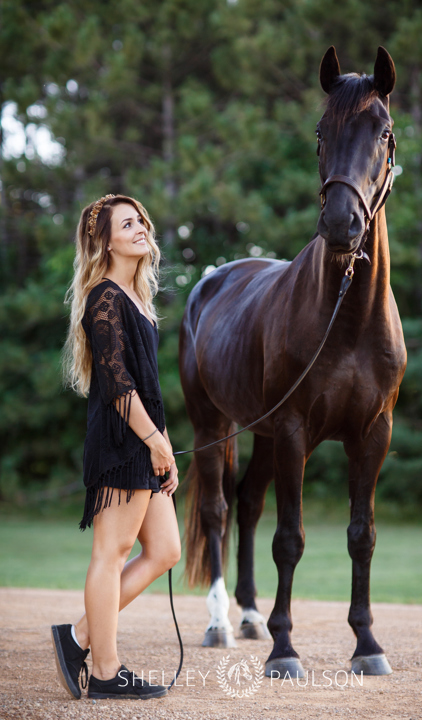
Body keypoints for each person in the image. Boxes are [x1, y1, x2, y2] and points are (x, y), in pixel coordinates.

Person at [51, 194, 181, 701]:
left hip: (147, 440)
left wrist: (165, 447)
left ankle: (80, 634)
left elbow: (149, 388)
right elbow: (118, 384)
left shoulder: (139, 300)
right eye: (127, 224)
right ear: (105, 240)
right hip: (121, 442)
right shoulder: (104, 297)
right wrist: (152, 442)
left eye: (142, 220)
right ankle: (105, 670)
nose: (140, 228)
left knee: (167, 549)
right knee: (111, 552)